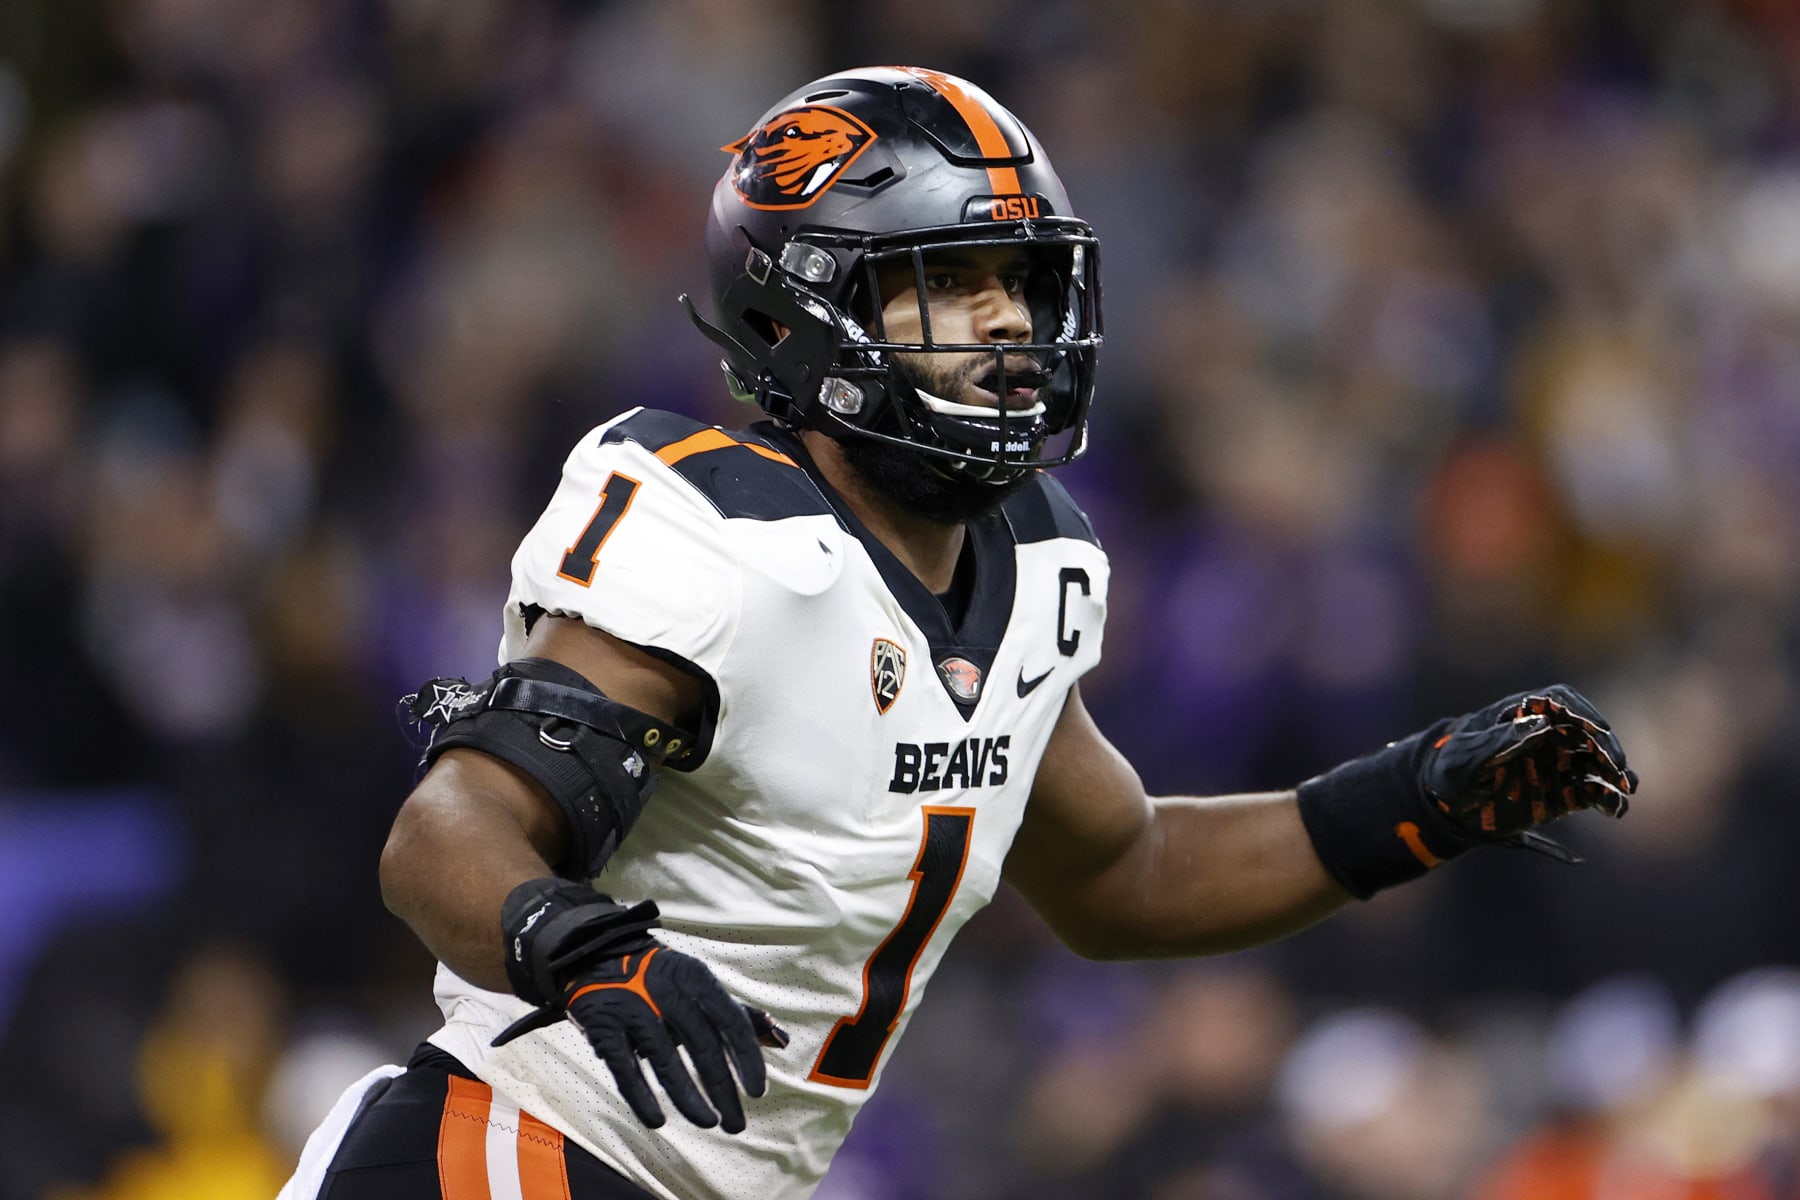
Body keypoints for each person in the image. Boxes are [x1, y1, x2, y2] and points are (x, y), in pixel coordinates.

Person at [277, 65, 1636, 1200]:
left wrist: (1410, 806)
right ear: (805, 310)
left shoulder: (1034, 565)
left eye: (1023, 282)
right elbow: (445, 835)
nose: (1008, 321)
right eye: (954, 281)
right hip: (513, 1150)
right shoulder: (721, 538)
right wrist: (580, 943)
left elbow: (1125, 875)